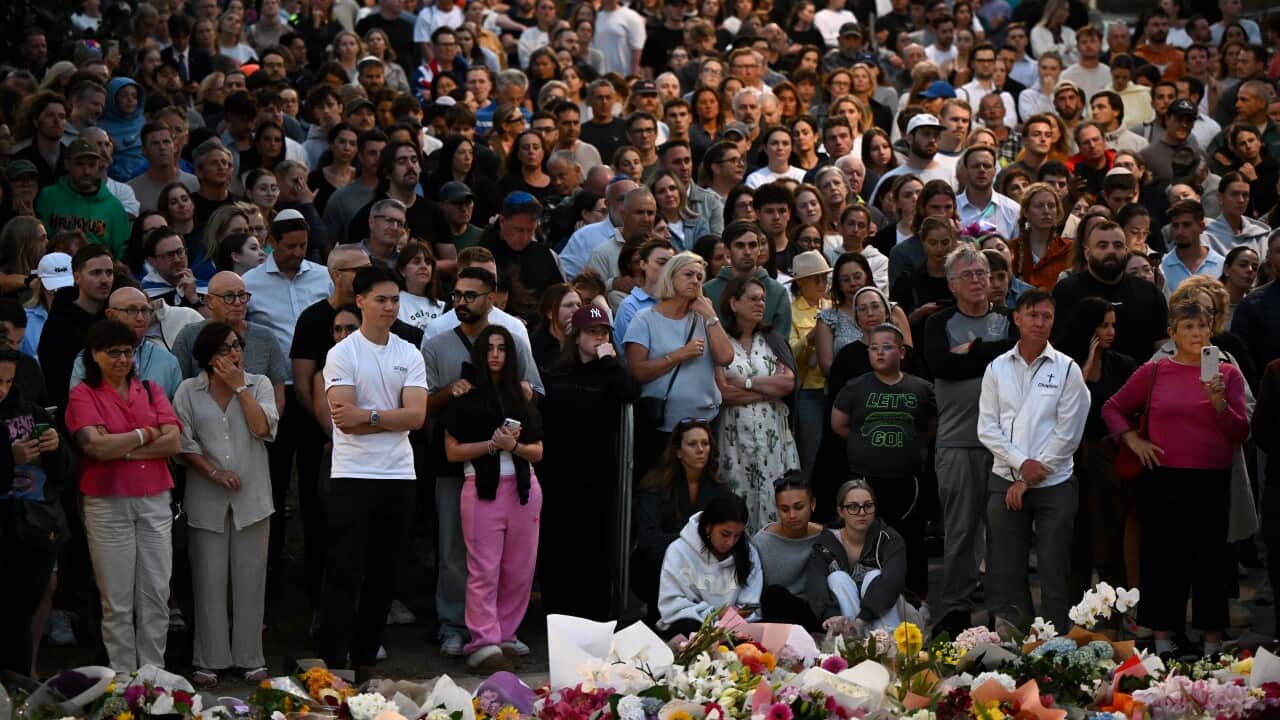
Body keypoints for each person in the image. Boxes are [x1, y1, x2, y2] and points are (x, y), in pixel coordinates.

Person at [1104, 300, 1249, 657]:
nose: (1196, 333)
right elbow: (1112, 407)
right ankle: (1163, 637)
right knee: (1163, 557)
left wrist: (1218, 403)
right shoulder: (1154, 371)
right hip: (1164, 478)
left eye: (1202, 327)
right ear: (1172, 334)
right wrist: (1133, 439)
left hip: (1212, 479)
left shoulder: (1226, 373)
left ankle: (1212, 640)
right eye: (1188, 327)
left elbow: (1241, 431)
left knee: (1211, 559)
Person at [422, 265, 544, 658]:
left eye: (470, 295)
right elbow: (424, 406)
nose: (461, 302)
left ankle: (503, 631)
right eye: (456, 295)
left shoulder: (515, 341)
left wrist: (516, 430)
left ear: (492, 296)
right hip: (462, 473)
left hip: (518, 481)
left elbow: (535, 396)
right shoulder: (437, 343)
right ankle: (461, 630)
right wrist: (449, 395)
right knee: (461, 556)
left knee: (514, 564)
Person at [319, 266, 428, 678]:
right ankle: (333, 661)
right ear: (360, 300)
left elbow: (417, 417)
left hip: (398, 475)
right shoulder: (342, 353)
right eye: (381, 299)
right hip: (352, 475)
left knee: (385, 574)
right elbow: (344, 419)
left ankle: (365, 660)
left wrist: (371, 415)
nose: (389, 307)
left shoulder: (409, 352)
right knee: (345, 571)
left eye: (395, 299)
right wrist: (389, 416)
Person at [65, 318, 182, 672]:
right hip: (107, 502)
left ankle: (154, 679)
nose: (122, 359)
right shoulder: (82, 394)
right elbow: (96, 448)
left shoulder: (149, 388)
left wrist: (124, 447)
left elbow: (174, 441)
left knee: (156, 596)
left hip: (154, 498)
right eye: (112, 352)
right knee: (116, 601)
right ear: (94, 355)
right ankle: (123, 683)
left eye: (127, 352)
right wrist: (148, 434)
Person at [977, 288, 1089, 630]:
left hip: (1053, 482)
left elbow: (1068, 432)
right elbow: (987, 427)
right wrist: (1019, 466)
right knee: (1007, 567)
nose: (1040, 323)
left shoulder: (1068, 369)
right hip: (1004, 478)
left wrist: (1030, 477)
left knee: (1055, 567)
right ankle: (1017, 639)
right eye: (1033, 315)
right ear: (1017, 318)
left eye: (1047, 317)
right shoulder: (997, 368)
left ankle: (1056, 640)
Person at [174, 321, 277, 687]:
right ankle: (210, 658)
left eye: (237, 346)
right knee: (208, 580)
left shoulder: (259, 384)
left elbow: (264, 429)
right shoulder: (188, 390)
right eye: (223, 349)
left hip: (253, 500)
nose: (233, 354)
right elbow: (183, 444)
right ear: (206, 357)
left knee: (250, 580)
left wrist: (240, 389)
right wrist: (213, 473)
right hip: (206, 498)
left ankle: (251, 656)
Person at [923, 244, 1019, 636]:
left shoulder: (1009, 320)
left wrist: (975, 351)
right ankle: (955, 610)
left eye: (983, 273)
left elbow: (1018, 358)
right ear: (952, 285)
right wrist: (991, 358)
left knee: (1002, 531)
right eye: (969, 275)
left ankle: (1003, 611)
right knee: (960, 530)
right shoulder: (938, 324)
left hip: (1005, 446)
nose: (979, 280)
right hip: (958, 441)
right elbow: (940, 363)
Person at [441, 324, 543, 671]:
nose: (496, 354)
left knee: (519, 569)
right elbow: (452, 452)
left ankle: (505, 633)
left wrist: (512, 446)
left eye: (502, 348)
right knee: (484, 569)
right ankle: (483, 640)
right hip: (482, 489)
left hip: (525, 488)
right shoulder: (465, 396)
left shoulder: (522, 395)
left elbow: (539, 450)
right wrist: (490, 446)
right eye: (489, 348)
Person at [538, 304, 638, 619]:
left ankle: (595, 615)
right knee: (559, 546)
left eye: (603, 332)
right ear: (576, 335)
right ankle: (557, 613)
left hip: (598, 477)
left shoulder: (609, 372)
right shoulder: (557, 373)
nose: (598, 337)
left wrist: (609, 360)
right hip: (558, 474)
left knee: (595, 549)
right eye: (592, 332)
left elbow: (629, 392)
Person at [831, 323, 936, 597]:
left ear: (901, 352)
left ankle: (914, 598)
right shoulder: (855, 387)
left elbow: (930, 427)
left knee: (910, 539)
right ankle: (867, 595)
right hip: (866, 479)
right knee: (867, 537)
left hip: (908, 480)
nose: (879, 353)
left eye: (887, 347)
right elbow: (839, 425)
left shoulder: (921, 388)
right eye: (873, 348)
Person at [1057, 296, 1140, 597]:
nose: (1110, 332)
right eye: (1103, 325)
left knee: (1111, 540)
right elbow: (1064, 406)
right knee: (1076, 543)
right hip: (1071, 463)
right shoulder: (1061, 364)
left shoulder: (1122, 365)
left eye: (1113, 326)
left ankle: (1116, 614)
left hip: (1110, 463)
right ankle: (1072, 618)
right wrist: (1087, 363)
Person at [624, 251, 734, 476]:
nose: (695, 281)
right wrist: (680, 354)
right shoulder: (644, 319)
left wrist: (711, 316)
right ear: (671, 277)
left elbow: (725, 357)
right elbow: (638, 371)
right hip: (664, 426)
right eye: (689, 274)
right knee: (661, 488)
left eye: (700, 277)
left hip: (705, 423)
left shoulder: (704, 317)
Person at [0, 347, 68, 677]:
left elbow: (64, 473)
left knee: (21, 619)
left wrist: (55, 449)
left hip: (33, 530)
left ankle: (19, 690)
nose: (2, 388)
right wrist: (8, 459)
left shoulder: (32, 412)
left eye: (8, 381)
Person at [714, 276, 800, 534]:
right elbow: (723, 393)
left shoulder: (772, 339)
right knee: (738, 500)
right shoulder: (721, 342)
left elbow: (787, 384)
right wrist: (767, 389)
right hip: (735, 439)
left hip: (773, 438)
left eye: (763, 298)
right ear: (733, 302)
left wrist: (747, 383)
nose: (760, 303)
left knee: (777, 500)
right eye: (752, 298)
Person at [804, 479, 911, 632]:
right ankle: (852, 643)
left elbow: (893, 581)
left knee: (874, 576)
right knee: (837, 578)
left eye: (868, 506)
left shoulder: (889, 539)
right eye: (853, 507)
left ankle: (887, 644)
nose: (862, 513)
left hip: (883, 613)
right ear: (841, 511)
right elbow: (815, 582)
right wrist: (830, 613)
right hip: (845, 620)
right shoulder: (826, 542)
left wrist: (863, 618)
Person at [656, 493, 762, 638]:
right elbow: (672, 606)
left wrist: (735, 616)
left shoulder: (748, 553)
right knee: (690, 629)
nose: (731, 542)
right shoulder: (679, 551)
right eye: (725, 534)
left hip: (734, 628)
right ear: (708, 527)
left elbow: (750, 606)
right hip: (690, 625)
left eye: (737, 535)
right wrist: (716, 614)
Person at [38, 245, 114, 418]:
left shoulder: (116, 313)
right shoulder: (58, 325)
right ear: (77, 277)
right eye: (95, 273)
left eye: (109, 273)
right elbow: (57, 381)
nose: (105, 280)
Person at [754, 474, 824, 629]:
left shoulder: (825, 537)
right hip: (777, 615)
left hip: (814, 612)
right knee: (774, 595)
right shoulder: (762, 542)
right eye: (784, 509)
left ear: (812, 504)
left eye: (799, 507)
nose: (792, 515)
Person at [789, 251, 831, 473]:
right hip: (808, 391)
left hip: (833, 388)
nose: (822, 282)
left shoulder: (832, 306)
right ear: (800, 281)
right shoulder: (791, 311)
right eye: (816, 277)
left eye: (824, 277)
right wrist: (810, 338)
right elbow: (789, 353)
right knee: (811, 451)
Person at [395, 241, 445, 333]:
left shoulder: (443, 307)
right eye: (416, 262)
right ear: (402, 270)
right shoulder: (394, 303)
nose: (424, 266)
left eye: (428, 262)